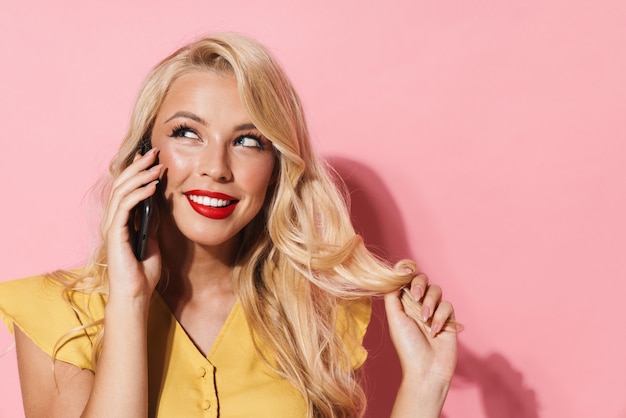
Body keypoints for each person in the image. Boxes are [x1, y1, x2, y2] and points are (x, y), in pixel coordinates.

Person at [0, 33, 459, 417]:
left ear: (277, 166)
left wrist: (426, 382)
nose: (216, 167)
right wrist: (130, 300)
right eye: (187, 133)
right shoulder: (56, 315)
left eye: (247, 141)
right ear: (145, 153)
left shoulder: (315, 318)